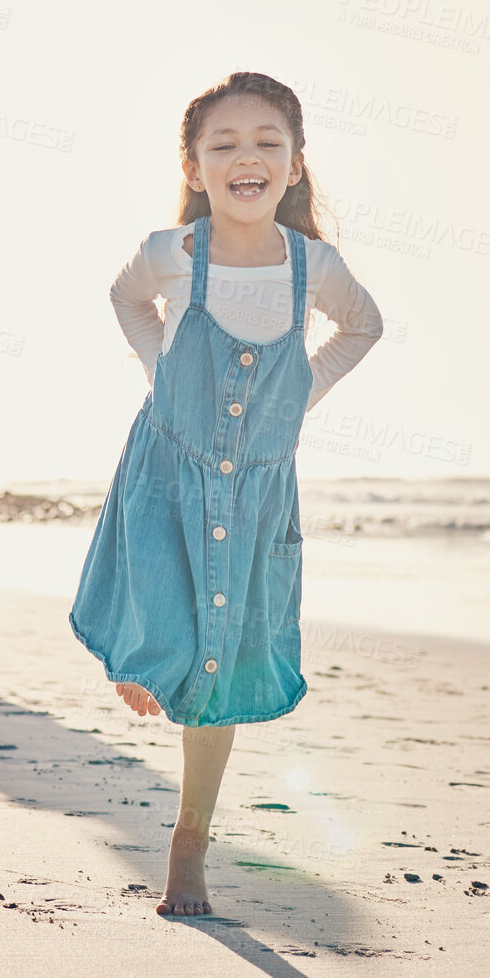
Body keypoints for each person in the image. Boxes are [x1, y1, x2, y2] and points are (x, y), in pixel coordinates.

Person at [68, 72, 383, 917]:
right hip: (168, 474)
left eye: (267, 142)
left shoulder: (314, 266)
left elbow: (365, 327)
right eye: (225, 144)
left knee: (222, 662)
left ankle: (189, 839)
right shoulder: (172, 252)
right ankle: (148, 659)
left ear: (296, 163)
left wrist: (301, 396)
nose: (248, 157)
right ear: (195, 164)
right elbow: (124, 298)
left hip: (254, 496)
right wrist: (156, 368)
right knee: (174, 633)